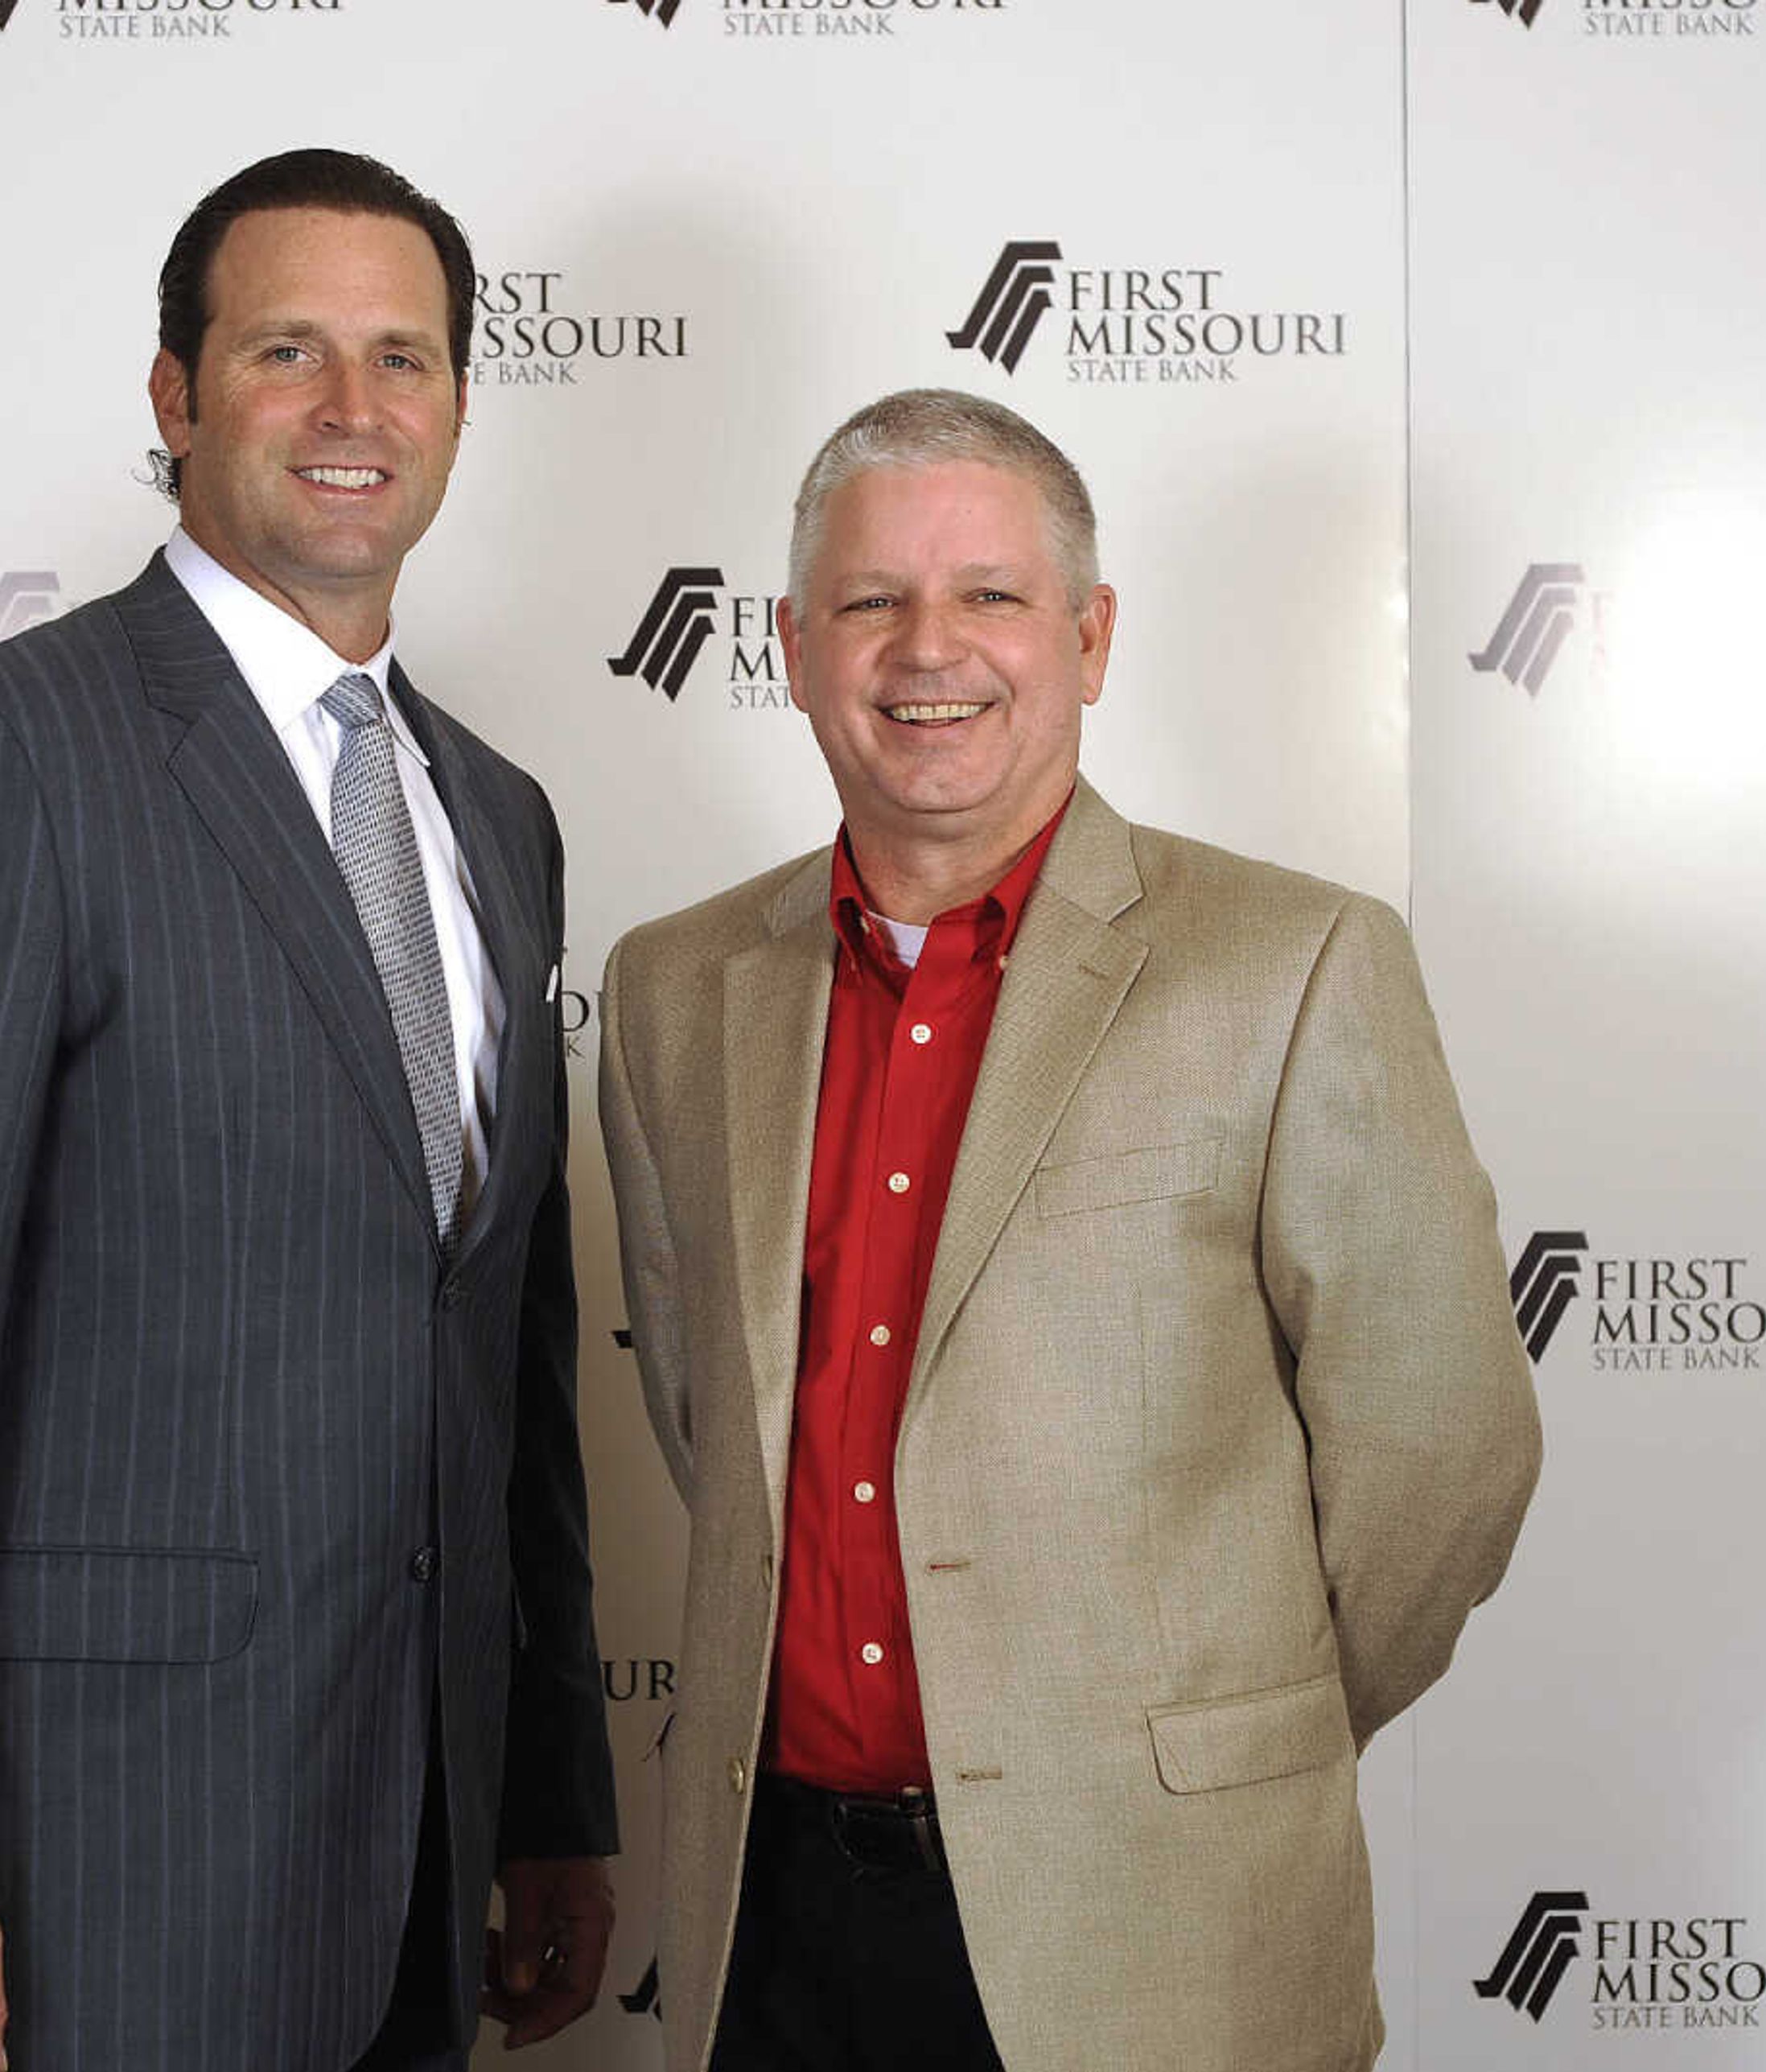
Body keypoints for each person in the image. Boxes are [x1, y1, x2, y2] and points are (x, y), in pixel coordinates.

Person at [0, 147, 616, 2072]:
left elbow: (500, 1337)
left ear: (461, 404)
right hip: (94, 1865)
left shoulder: (502, 816)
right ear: (173, 393)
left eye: (406, 358)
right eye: (288, 349)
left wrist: (549, 1796)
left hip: (420, 1851)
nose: (355, 410)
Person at [597, 389, 1539, 2072]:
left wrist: (1212, 1727)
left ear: (1091, 638)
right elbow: (704, 1423)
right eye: (872, 599)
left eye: (992, 596)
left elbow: (1441, 1450)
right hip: (773, 1927)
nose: (926, 648)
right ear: (796, 645)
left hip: (1158, 1915)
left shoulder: (1294, 963)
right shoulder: (676, 989)